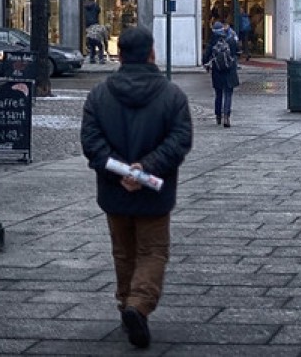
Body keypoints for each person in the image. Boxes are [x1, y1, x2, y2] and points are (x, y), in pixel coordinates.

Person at [80, 26, 192, 349]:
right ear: (151, 54)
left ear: (119, 55)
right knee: (153, 251)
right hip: (154, 191)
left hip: (114, 192)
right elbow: (180, 139)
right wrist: (146, 168)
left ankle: (125, 304)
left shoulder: (98, 95)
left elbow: (91, 141)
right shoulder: (172, 95)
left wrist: (119, 171)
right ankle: (138, 304)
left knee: (123, 252)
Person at [201, 22, 240, 127]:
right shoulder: (231, 39)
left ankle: (218, 116)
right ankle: (226, 116)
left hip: (217, 72)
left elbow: (205, 58)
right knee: (228, 94)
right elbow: (238, 51)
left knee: (218, 94)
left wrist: (208, 64)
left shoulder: (212, 42)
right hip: (229, 71)